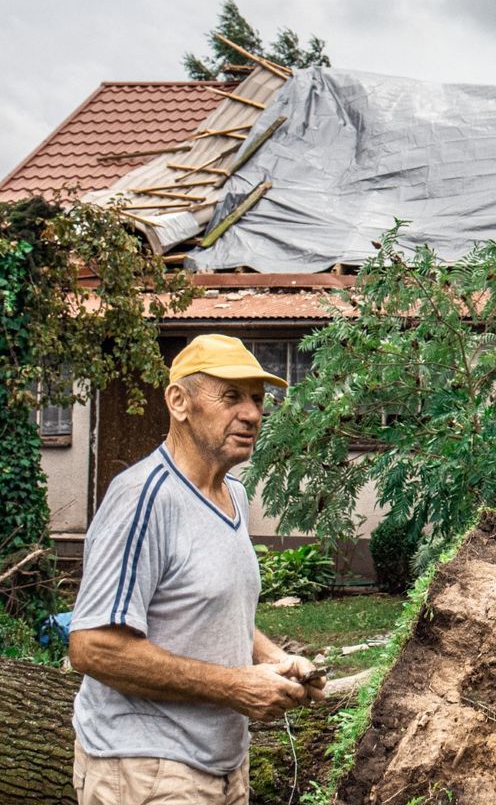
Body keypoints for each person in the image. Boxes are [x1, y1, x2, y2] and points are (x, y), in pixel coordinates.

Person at [68, 334, 325, 804]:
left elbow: (209, 608)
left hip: (224, 766)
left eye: (256, 399)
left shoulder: (235, 496)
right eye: (231, 397)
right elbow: (93, 647)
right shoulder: (143, 498)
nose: (251, 414)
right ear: (179, 402)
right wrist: (235, 686)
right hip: (146, 769)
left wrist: (271, 660)